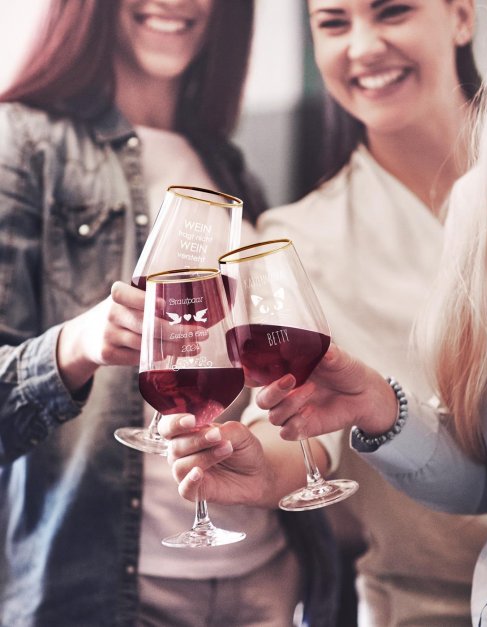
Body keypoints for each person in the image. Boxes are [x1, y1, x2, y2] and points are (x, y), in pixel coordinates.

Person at [164, 0, 487, 624]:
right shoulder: (306, 239)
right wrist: (305, 449)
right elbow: (314, 425)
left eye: (393, 12)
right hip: (440, 603)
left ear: (460, 17)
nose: (363, 47)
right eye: (332, 23)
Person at [0, 1, 327, 625]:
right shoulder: (21, 142)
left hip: (264, 575)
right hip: (108, 590)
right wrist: (76, 344)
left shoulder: (227, 166)